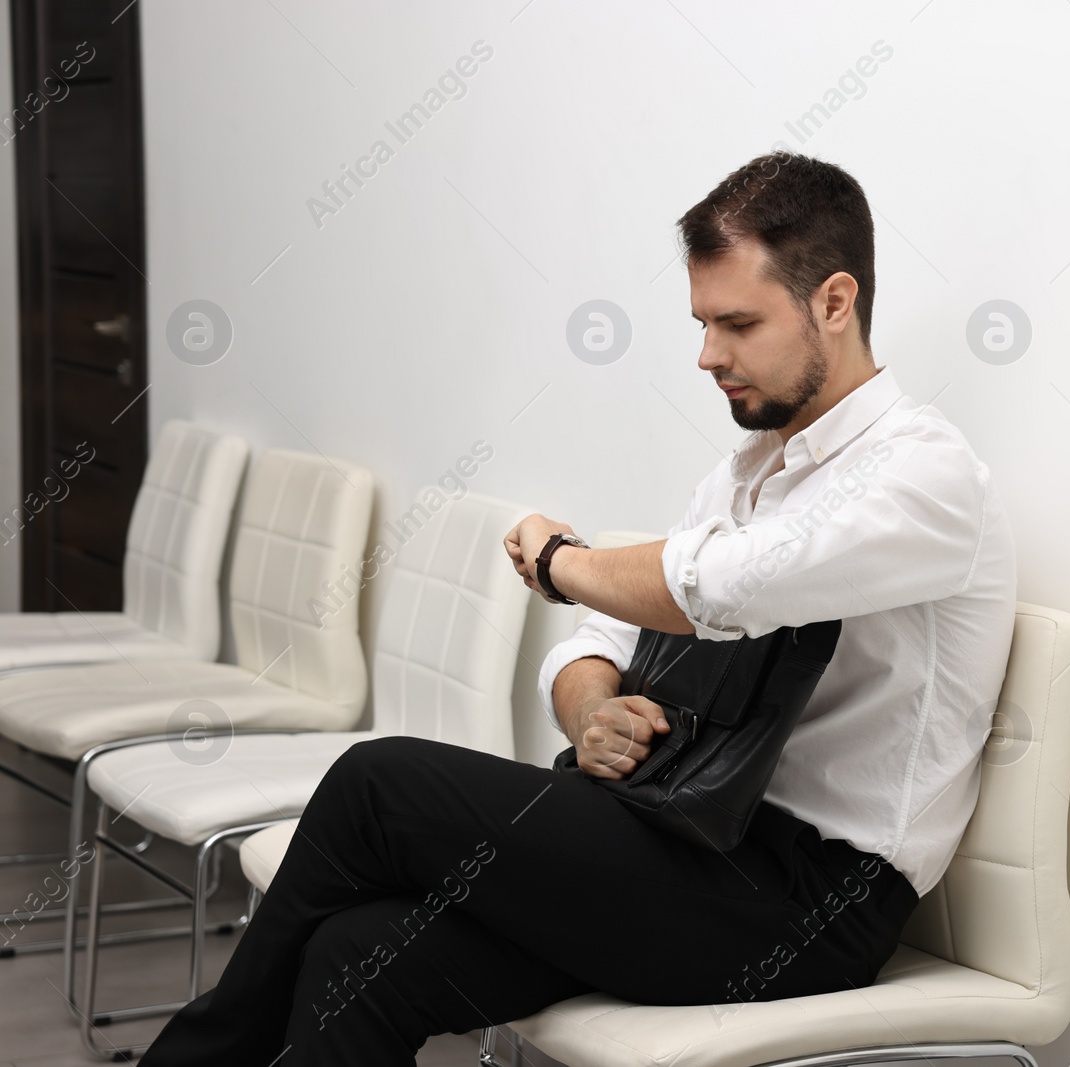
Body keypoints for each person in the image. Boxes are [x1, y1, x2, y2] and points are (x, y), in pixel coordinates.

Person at [140, 152, 1017, 1066]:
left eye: (738, 323)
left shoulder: (926, 478)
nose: (709, 355)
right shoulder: (748, 474)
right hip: (686, 834)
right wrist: (594, 708)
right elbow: (605, 636)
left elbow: (726, 589)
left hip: (811, 898)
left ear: (835, 303)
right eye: (702, 322)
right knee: (358, 954)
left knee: (377, 783)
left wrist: (561, 562)